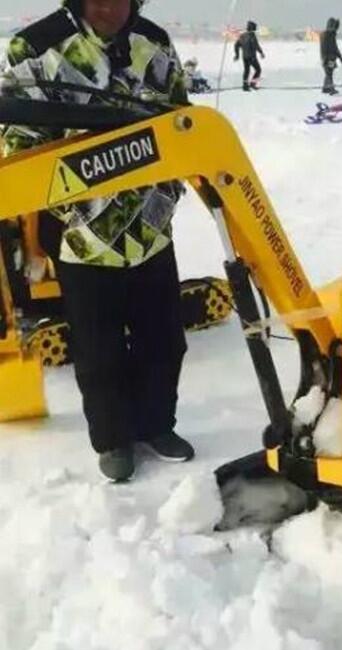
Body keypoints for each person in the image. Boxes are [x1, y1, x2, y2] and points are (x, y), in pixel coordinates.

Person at [0, 0, 194, 482]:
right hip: (80, 236)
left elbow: (181, 120)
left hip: (151, 228)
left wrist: (177, 181)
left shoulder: (154, 42)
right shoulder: (35, 47)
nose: (109, 7)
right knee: (98, 350)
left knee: (164, 340)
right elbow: (17, 142)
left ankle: (156, 424)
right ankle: (112, 440)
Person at [234, 20, 265, 91]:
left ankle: (245, 86)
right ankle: (252, 84)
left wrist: (237, 55)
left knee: (246, 71)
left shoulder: (242, 35)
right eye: (254, 28)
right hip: (251, 57)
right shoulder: (252, 36)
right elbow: (256, 45)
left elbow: (236, 45)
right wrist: (261, 53)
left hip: (244, 57)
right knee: (258, 70)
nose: (255, 29)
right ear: (252, 28)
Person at [320, 17, 342, 95]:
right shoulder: (325, 35)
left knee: (329, 73)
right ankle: (330, 88)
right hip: (328, 58)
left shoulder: (332, 35)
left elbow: (335, 47)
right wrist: (325, 59)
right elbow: (324, 48)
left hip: (332, 58)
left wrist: (340, 57)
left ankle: (326, 88)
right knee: (329, 73)